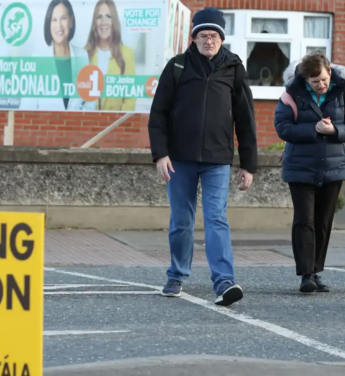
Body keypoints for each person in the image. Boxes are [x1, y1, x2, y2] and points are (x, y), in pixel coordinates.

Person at [147, 7, 257, 306]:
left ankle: (224, 282)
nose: (209, 41)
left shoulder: (234, 68)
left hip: (218, 159)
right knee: (181, 221)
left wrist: (248, 165)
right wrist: (161, 155)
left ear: (222, 39)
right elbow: (158, 115)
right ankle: (176, 275)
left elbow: (246, 119)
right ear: (193, 38)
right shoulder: (177, 67)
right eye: (203, 36)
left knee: (216, 218)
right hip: (179, 159)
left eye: (215, 36)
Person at [274, 51, 345, 293]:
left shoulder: (344, 91)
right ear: (305, 80)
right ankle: (306, 274)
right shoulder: (291, 95)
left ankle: (316, 270)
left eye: (324, 79)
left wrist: (334, 130)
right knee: (305, 220)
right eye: (316, 82)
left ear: (330, 72)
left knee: (323, 221)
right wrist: (313, 129)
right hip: (300, 167)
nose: (322, 85)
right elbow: (282, 128)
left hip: (334, 168)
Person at [24, 0, 96, 111]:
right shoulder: (37, 59)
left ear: (71, 21)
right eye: (54, 20)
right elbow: (27, 107)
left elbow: (90, 101)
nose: (59, 25)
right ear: (49, 24)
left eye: (63, 18)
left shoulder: (82, 56)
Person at [84, 0, 136, 111]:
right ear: (94, 22)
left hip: (115, 124)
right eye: (99, 17)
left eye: (108, 16)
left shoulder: (127, 54)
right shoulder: (84, 53)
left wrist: (118, 125)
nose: (104, 22)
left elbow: (130, 99)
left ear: (114, 21)